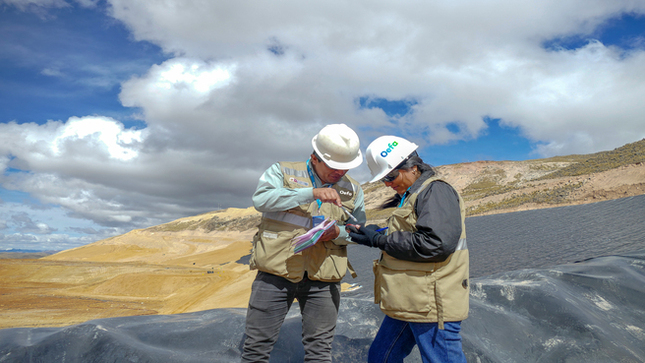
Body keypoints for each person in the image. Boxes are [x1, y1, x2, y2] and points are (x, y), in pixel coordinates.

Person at [241, 123, 367, 363]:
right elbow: (262, 199)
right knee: (256, 349)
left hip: (324, 277)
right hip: (277, 272)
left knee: (320, 352)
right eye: (334, 167)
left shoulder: (353, 189)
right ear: (315, 158)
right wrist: (310, 193)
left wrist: (338, 233)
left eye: (345, 167)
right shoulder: (282, 171)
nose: (340, 173)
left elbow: (358, 230)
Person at [347, 135, 469, 363]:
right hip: (409, 298)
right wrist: (373, 234)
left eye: (390, 176)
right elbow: (414, 235)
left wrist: (379, 241)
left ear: (413, 167)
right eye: (383, 179)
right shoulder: (412, 196)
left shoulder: (435, 192)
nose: (387, 183)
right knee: (381, 357)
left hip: (431, 302)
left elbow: (436, 244)